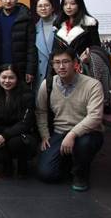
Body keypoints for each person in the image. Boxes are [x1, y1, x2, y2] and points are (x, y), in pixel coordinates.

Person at [36, 48, 104, 191]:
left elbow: (95, 117)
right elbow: (41, 111)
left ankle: (80, 173)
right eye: (57, 62)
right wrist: (45, 135)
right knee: (46, 174)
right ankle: (69, 160)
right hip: (59, 132)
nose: (61, 66)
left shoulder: (92, 85)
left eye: (66, 62)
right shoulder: (47, 84)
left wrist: (72, 134)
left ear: (75, 63)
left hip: (87, 133)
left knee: (84, 144)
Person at [0, 65, 38, 177]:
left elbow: (25, 123)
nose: (7, 81)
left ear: (17, 78)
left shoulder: (27, 95)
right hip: (0, 134)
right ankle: (7, 165)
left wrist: (5, 135)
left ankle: (22, 166)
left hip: (20, 134)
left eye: (11, 78)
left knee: (15, 143)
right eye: (4, 77)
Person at [0, 0, 37, 86]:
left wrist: (30, 70)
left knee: (21, 93)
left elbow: (31, 46)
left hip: (20, 67)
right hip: (0, 67)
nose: (8, 1)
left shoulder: (25, 17)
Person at [53, 0, 100, 65]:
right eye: (65, 4)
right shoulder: (58, 24)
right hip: (62, 68)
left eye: (72, 4)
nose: (68, 7)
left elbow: (97, 49)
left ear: (79, 5)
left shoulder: (90, 24)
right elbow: (54, 51)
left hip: (83, 67)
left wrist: (87, 58)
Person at [34, 0, 57, 96]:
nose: (43, 8)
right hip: (41, 73)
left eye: (46, 5)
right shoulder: (34, 28)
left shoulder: (63, 25)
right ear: (36, 10)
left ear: (52, 8)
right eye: (40, 6)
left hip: (58, 70)